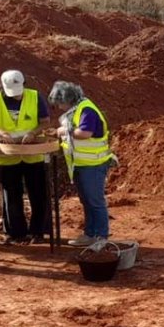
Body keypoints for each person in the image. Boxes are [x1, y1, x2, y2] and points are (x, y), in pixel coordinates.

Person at [0, 70, 50, 244]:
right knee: (11, 195)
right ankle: (15, 233)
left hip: (32, 154)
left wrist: (33, 132)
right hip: (8, 155)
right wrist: (1, 132)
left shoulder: (35, 97)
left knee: (38, 194)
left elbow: (45, 121)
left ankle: (38, 231)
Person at [48, 81, 114, 246]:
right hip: (81, 164)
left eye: (60, 103)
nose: (59, 107)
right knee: (87, 201)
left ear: (68, 99)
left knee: (95, 201)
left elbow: (84, 133)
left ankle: (101, 237)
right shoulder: (76, 109)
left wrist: (63, 131)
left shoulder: (86, 110)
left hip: (93, 164)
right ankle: (90, 234)